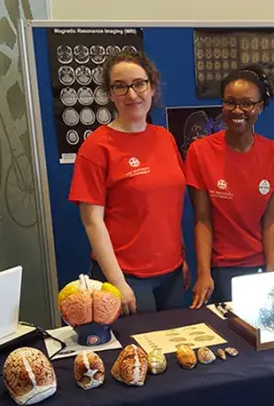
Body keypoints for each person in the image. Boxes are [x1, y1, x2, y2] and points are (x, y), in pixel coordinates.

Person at [68, 51, 189, 315]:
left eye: (139, 84)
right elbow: (92, 221)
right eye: (120, 87)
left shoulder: (165, 138)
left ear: (152, 87)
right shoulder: (97, 147)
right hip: (127, 278)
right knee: (138, 354)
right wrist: (118, 282)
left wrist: (181, 257)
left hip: (172, 275)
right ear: (110, 94)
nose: (132, 95)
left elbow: (168, 204)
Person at [185, 65, 274, 308]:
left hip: (259, 265)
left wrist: (272, 271)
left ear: (260, 107)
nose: (237, 110)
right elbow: (202, 220)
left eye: (247, 103)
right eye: (230, 102)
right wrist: (204, 273)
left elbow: (272, 219)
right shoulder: (200, 152)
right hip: (222, 268)